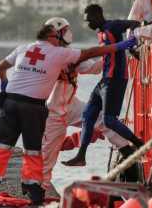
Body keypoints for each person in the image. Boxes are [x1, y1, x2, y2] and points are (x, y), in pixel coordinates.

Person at [0, 23, 137, 205]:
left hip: (58, 105)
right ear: (55, 36)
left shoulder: (27, 49)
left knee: (2, 146)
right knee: (38, 153)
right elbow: (90, 55)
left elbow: (94, 65)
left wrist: (4, 86)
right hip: (48, 111)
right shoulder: (60, 53)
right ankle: (37, 191)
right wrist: (118, 48)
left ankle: (126, 148)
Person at [41, 17, 132, 189]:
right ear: (58, 33)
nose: (70, 33)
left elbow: (94, 67)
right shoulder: (48, 55)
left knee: (102, 120)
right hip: (52, 112)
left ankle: (127, 150)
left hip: (70, 104)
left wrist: (120, 55)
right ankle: (40, 189)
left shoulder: (70, 54)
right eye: (66, 29)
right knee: (47, 155)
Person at [62, 4, 144, 167]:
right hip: (105, 79)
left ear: (98, 15)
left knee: (109, 120)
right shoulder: (100, 32)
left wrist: (133, 45)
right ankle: (81, 156)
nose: (88, 24)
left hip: (116, 79)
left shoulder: (113, 25)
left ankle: (139, 144)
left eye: (89, 20)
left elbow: (135, 24)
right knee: (88, 115)